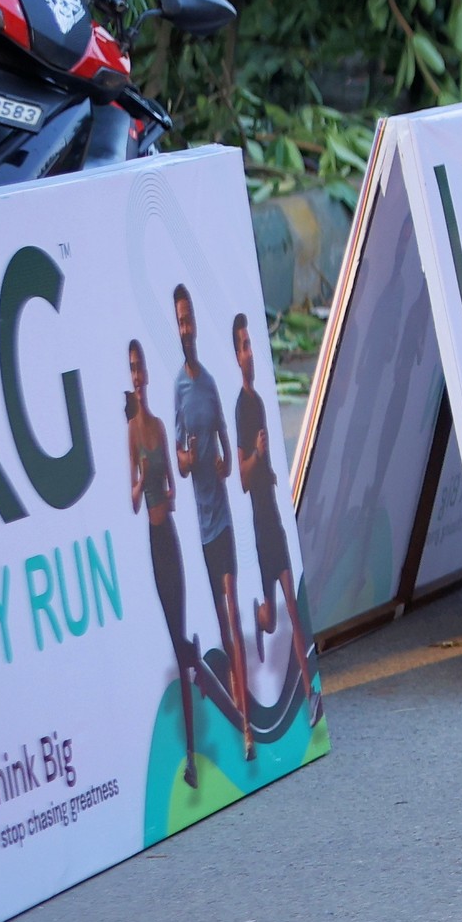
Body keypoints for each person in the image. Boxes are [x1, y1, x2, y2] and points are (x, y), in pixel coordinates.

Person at [170, 286, 253, 762]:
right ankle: (240, 713)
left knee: (233, 608)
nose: (186, 328)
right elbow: (181, 466)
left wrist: (224, 461)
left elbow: (225, 438)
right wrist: (187, 456)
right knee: (222, 619)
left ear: (196, 325)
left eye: (189, 320)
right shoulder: (178, 391)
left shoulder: (210, 385)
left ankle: (247, 719)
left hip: (222, 516)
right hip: (202, 525)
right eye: (179, 322)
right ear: (176, 328)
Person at [127, 341, 199, 783]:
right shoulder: (133, 432)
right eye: (132, 369)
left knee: (179, 640)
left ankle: (191, 756)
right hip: (154, 543)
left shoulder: (155, 425)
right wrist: (140, 481)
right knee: (177, 645)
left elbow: (172, 489)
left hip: (169, 537)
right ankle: (195, 661)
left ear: (147, 375)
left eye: (140, 368)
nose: (137, 376)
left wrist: (165, 490)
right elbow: (133, 500)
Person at [231, 313, 304, 648]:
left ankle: (308, 678)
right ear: (237, 356)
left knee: (294, 610)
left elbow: (263, 466)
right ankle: (260, 618)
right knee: (273, 621)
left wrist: (271, 470)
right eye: (244, 347)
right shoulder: (241, 408)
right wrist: (258, 456)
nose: (250, 354)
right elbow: (243, 479)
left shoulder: (260, 402)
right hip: (261, 525)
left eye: (251, 345)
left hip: (275, 517)